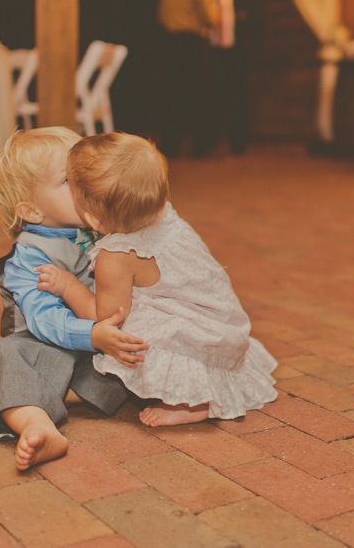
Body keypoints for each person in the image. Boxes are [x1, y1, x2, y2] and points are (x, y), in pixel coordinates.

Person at [36, 132, 278, 427]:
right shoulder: (162, 213)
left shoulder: (115, 256)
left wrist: (67, 286)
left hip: (196, 335)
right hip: (224, 324)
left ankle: (192, 402)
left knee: (130, 328)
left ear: (96, 221)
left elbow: (106, 317)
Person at [0, 127, 149, 470]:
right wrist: (92, 334)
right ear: (32, 211)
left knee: (140, 348)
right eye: (69, 181)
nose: (85, 186)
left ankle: (56, 391)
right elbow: (45, 320)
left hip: (96, 351)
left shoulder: (96, 229)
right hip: (44, 347)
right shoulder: (29, 256)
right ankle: (35, 423)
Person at [156, 0, 219, 158]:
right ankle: (200, 146)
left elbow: (161, 17)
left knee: (173, 93)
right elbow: (210, 18)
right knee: (198, 94)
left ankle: (171, 145)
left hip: (170, 44)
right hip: (193, 43)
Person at [209, 0, 249, 155]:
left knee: (236, 99)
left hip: (235, 54)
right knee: (212, 98)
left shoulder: (242, 0)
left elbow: (253, 28)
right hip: (213, 53)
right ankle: (210, 142)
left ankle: (238, 143)